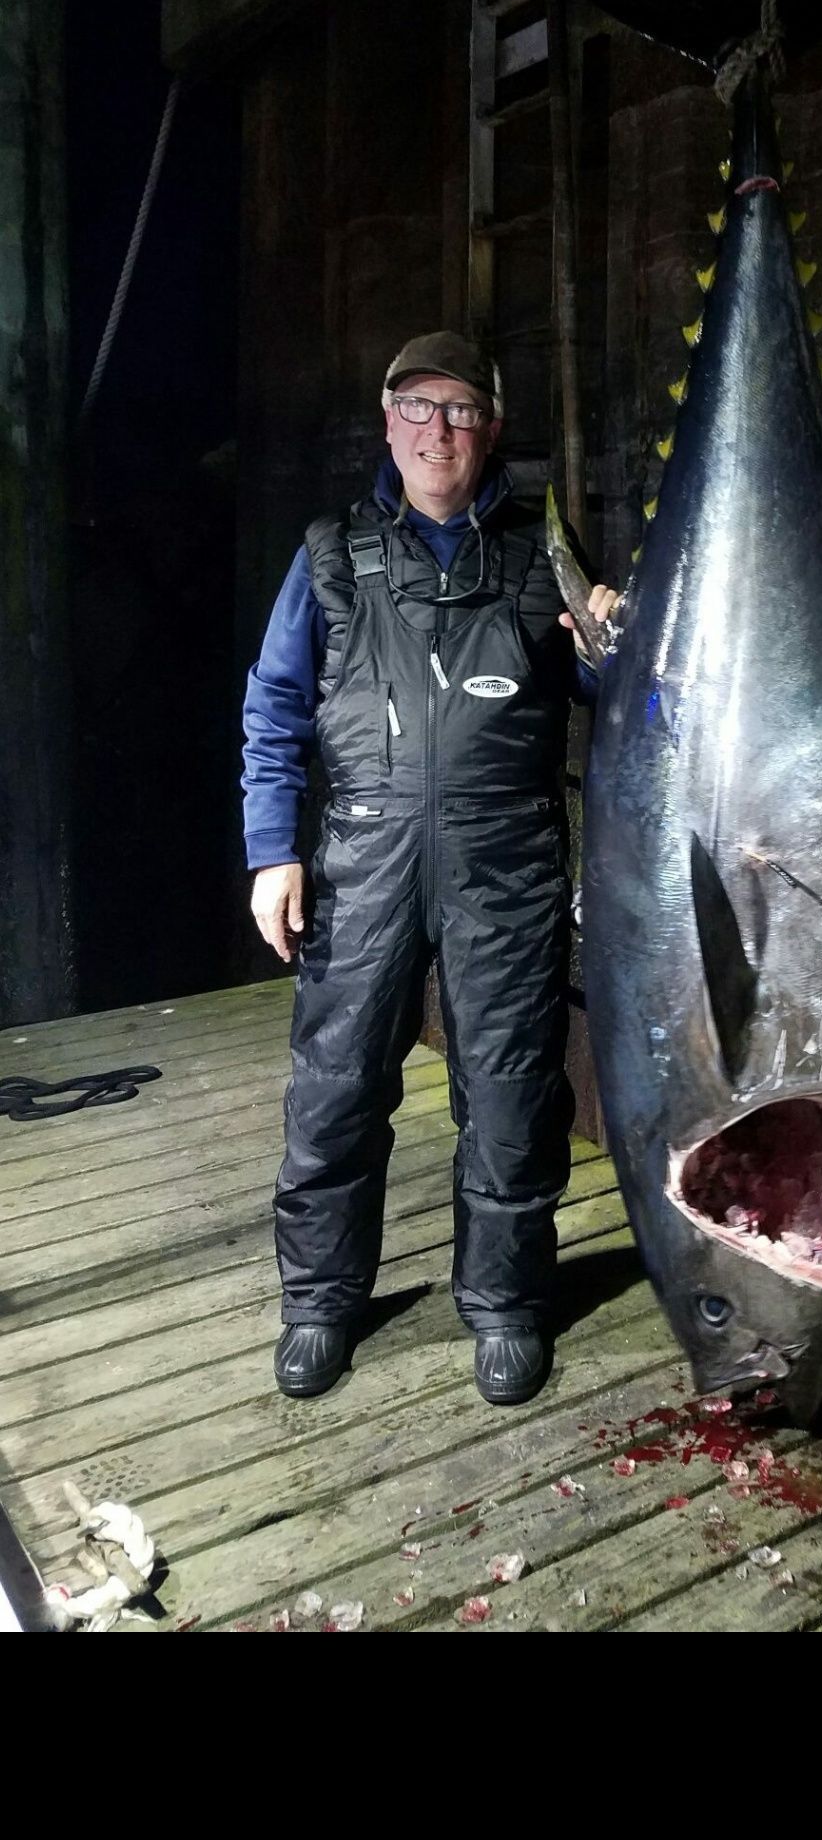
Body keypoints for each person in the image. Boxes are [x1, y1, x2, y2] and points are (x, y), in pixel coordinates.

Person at [242, 332, 618, 1409]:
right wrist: (273, 852)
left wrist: (609, 643)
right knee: (336, 1085)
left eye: (459, 410)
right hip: (363, 855)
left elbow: (620, 700)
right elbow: (273, 707)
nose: (437, 429)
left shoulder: (546, 552)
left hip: (508, 858)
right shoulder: (331, 553)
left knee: (510, 1090)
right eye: (418, 406)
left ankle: (504, 1303)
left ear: (491, 428)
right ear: (388, 419)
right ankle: (321, 1301)